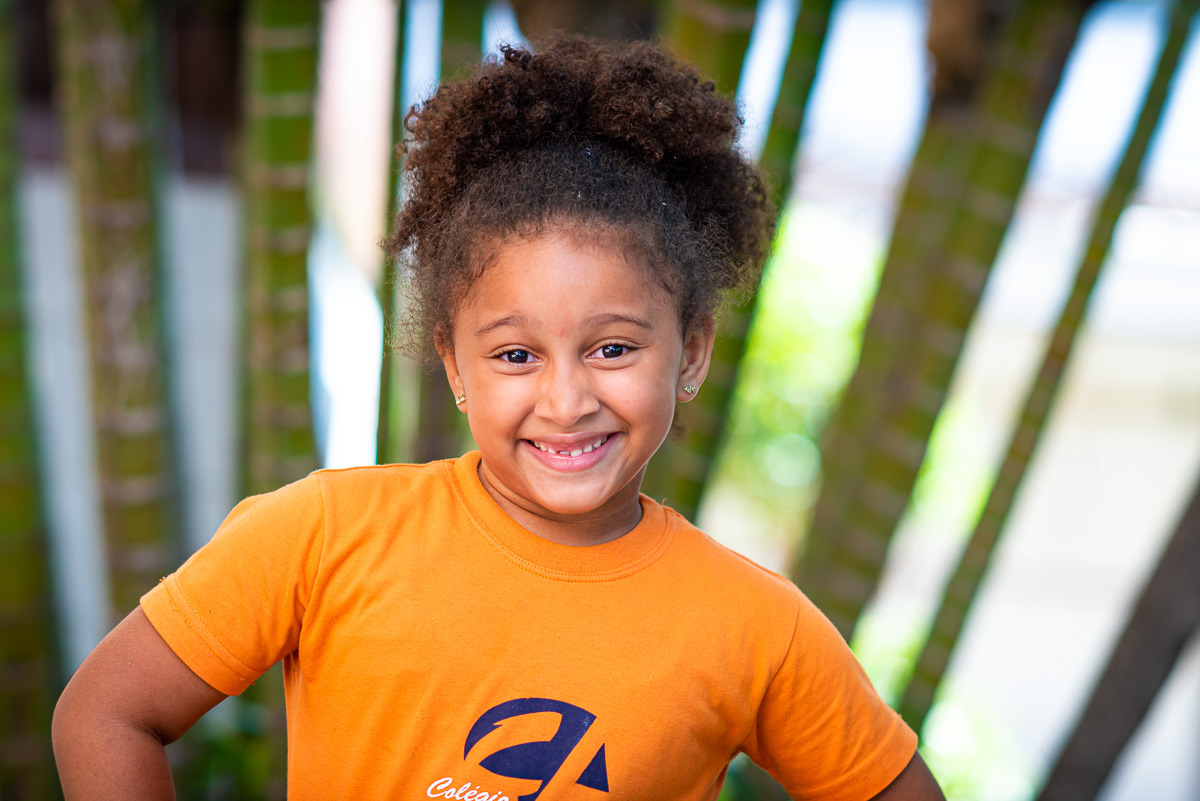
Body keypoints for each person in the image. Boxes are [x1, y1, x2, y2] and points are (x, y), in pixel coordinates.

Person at [53, 34, 944, 801]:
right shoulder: (322, 536)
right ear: (453, 363)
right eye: (517, 355)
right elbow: (105, 711)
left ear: (693, 352)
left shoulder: (757, 627)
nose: (566, 400)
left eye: (613, 348)